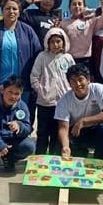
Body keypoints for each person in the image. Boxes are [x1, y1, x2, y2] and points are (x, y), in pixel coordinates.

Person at [55, 64, 103, 161]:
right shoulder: (64, 100)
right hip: (77, 132)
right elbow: (63, 128)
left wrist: (83, 121)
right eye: (73, 81)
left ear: (88, 80)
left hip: (96, 130)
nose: (78, 84)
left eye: (80, 80)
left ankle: (101, 162)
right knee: (64, 147)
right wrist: (65, 147)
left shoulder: (99, 89)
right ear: (69, 83)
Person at [30, 27, 75, 155]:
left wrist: (70, 93)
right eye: (52, 42)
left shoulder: (68, 58)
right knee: (43, 133)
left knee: (58, 134)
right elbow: (34, 77)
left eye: (58, 41)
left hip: (63, 103)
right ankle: (40, 160)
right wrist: (42, 91)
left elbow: (73, 77)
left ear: (64, 42)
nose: (55, 45)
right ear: (47, 43)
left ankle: (54, 160)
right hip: (45, 103)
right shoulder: (42, 57)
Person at [60, 0, 103, 66]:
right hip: (68, 60)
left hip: (86, 61)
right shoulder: (64, 23)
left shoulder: (90, 22)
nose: (77, 6)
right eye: (74, 4)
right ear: (69, 7)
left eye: (79, 4)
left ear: (84, 6)